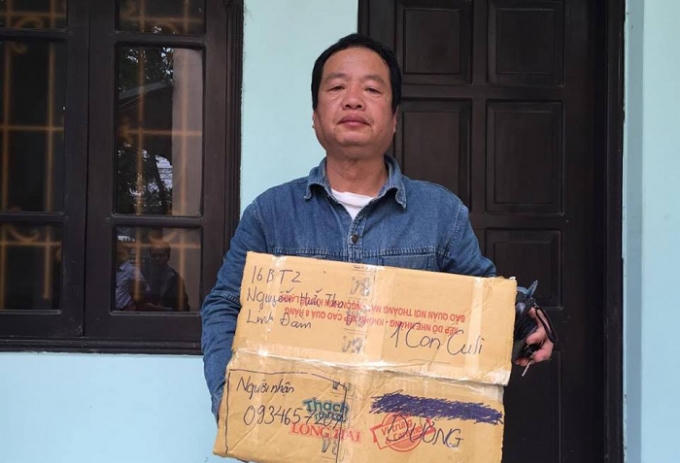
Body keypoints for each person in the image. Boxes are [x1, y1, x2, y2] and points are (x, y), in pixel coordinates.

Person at [201, 33, 553, 419]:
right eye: (337, 87)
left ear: (395, 118)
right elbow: (225, 305)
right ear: (315, 117)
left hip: (403, 435)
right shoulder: (270, 214)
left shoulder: (442, 213)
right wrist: (227, 397)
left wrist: (522, 322)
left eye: (371, 89)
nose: (353, 100)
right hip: (294, 429)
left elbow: (483, 304)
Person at [142, 240, 190, 311]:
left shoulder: (175, 279)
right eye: (153, 256)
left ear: (168, 257)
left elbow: (184, 308)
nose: (157, 258)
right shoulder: (143, 275)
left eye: (161, 255)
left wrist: (161, 309)